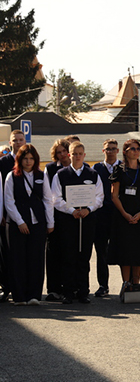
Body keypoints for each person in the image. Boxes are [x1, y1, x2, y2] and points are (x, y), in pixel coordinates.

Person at [51, 141, 104, 304]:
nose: (77, 156)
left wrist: (89, 209)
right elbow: (56, 198)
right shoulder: (60, 175)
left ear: (84, 155)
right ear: (69, 155)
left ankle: (83, 292)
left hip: (87, 221)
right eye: (74, 153)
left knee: (84, 257)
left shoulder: (93, 174)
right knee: (68, 257)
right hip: (68, 221)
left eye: (80, 153)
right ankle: (68, 292)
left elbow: (99, 197)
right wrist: (71, 211)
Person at [3, 144, 53, 305]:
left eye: (31, 158)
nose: (28, 161)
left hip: (38, 222)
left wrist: (50, 222)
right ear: (20, 159)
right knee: (17, 259)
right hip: (17, 224)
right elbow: (9, 201)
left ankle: (34, 295)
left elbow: (48, 199)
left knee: (36, 259)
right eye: (25, 158)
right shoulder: (12, 176)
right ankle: (19, 296)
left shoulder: (42, 175)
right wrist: (20, 221)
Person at [108, 139, 140, 294]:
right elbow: (114, 195)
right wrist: (125, 214)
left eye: (138, 149)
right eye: (133, 149)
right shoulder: (119, 170)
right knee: (125, 250)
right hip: (123, 216)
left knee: (138, 250)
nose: (136, 151)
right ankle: (126, 284)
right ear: (125, 151)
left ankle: (136, 283)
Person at [92, 139, 120, 298]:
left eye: (113, 149)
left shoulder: (124, 167)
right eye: (108, 149)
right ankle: (103, 285)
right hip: (101, 216)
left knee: (123, 250)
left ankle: (129, 283)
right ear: (103, 151)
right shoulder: (96, 169)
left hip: (119, 215)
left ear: (118, 151)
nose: (110, 151)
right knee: (101, 252)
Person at [0, 129, 26, 303]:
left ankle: (22, 288)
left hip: (26, 214)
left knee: (22, 254)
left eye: (20, 139)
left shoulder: (29, 159)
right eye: (15, 140)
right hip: (5, 216)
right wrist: (1, 213)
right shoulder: (3, 162)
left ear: (25, 141)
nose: (18, 142)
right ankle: (6, 287)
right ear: (10, 143)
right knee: (6, 254)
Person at [43, 138, 70, 302]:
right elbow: (47, 195)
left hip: (73, 217)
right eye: (58, 152)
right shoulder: (50, 168)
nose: (62, 154)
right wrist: (49, 220)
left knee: (69, 254)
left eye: (64, 151)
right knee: (53, 254)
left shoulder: (80, 168)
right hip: (55, 217)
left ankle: (70, 288)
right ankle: (53, 289)